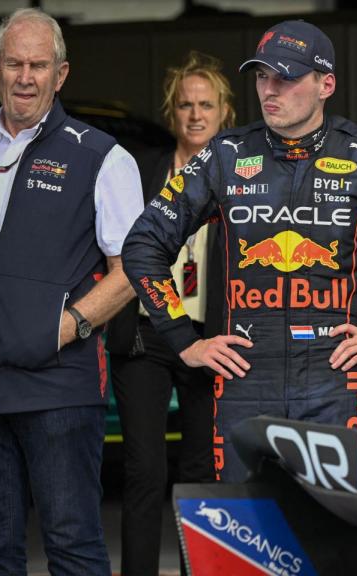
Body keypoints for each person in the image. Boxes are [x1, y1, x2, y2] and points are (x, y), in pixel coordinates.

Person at [122, 19, 357, 483]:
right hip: (245, 379)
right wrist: (184, 339)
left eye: (285, 78)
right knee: (248, 525)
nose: (270, 90)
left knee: (334, 523)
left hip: (334, 381)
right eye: (263, 76)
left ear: (326, 85)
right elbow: (143, 244)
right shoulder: (225, 155)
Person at [0, 8, 143, 574]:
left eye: (38, 65)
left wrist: (70, 325)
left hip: (58, 387)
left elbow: (135, 268)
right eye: (14, 64)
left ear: (61, 74)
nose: (25, 77)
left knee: (72, 547)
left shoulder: (101, 155)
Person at [105, 51, 234, 575]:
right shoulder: (141, 172)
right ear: (171, 111)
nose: (196, 115)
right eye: (185, 105)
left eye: (206, 105)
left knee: (201, 471)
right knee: (144, 471)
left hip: (209, 335)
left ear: (225, 112)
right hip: (147, 333)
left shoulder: (243, 178)